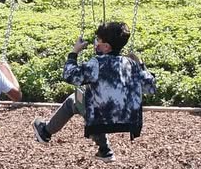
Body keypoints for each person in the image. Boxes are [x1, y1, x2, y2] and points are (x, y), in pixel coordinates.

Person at [33, 20, 156, 161]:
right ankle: (104, 150)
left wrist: (74, 52)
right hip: (129, 120)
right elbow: (150, 88)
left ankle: (45, 132)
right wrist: (140, 64)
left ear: (106, 46)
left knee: (74, 100)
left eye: (98, 40)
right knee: (90, 99)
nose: (95, 42)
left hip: (100, 118)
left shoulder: (97, 63)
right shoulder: (132, 64)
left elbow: (70, 76)